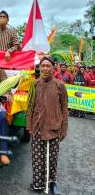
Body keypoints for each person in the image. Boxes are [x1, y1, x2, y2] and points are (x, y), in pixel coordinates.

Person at [27, 56, 68, 194]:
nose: (45, 68)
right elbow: (29, 107)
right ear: (40, 68)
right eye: (42, 66)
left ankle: (52, 182)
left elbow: (64, 109)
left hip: (54, 126)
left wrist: (64, 128)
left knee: (52, 157)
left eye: (48, 66)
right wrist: (29, 126)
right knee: (37, 157)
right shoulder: (34, 84)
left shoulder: (60, 85)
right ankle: (38, 183)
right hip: (37, 126)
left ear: (53, 68)